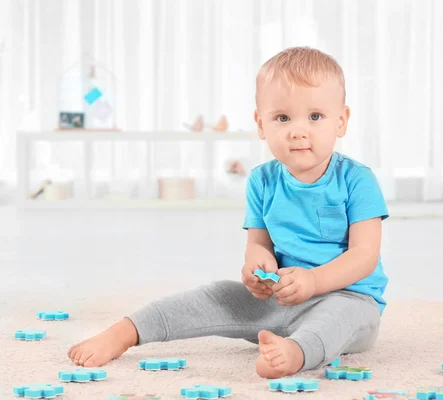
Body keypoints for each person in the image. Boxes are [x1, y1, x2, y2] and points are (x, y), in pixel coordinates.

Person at [67, 46, 389, 379]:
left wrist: (315, 280)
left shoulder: (356, 180)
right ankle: (127, 331)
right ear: (260, 124)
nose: (297, 130)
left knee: (338, 318)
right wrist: (258, 267)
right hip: (283, 297)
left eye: (315, 117)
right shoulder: (262, 180)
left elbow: (365, 255)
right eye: (282, 118)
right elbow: (258, 243)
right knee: (218, 295)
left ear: (341, 121)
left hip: (349, 298)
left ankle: (295, 353)